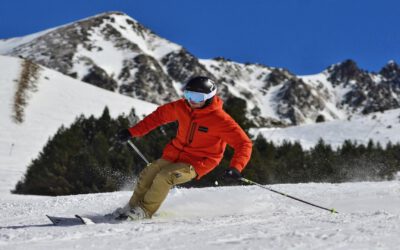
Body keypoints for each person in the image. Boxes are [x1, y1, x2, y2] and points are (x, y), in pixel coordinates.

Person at [114, 76, 252, 220]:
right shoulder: (182, 107)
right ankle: (132, 207)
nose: (192, 100)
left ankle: (144, 211)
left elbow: (244, 144)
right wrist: (132, 132)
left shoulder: (220, 120)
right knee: (148, 173)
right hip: (174, 154)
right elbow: (158, 117)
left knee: (165, 176)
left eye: (198, 97)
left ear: (209, 97)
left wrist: (236, 167)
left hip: (198, 161)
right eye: (188, 95)